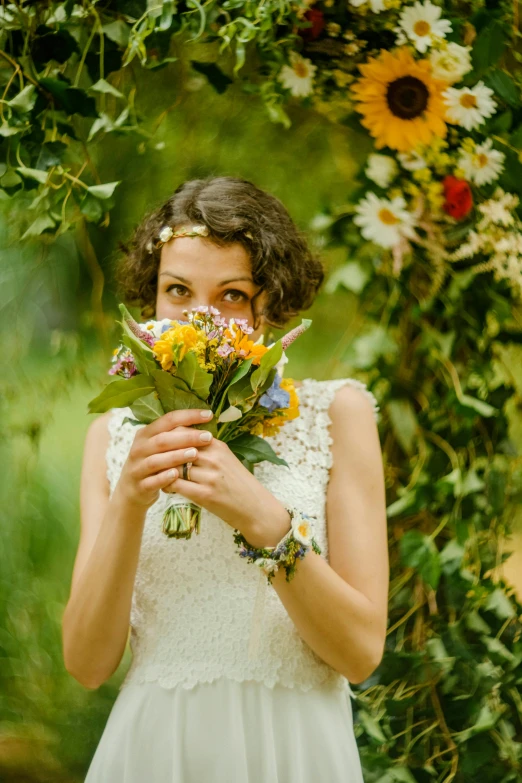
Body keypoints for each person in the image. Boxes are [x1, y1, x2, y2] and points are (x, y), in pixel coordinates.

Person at [62, 175, 389, 782]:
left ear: (274, 302)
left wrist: (262, 519)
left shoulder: (338, 414)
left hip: (294, 751)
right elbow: (86, 664)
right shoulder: (112, 439)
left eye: (232, 295)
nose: (200, 316)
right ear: (151, 300)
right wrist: (130, 500)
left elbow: (361, 653)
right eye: (177, 289)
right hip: (158, 751)